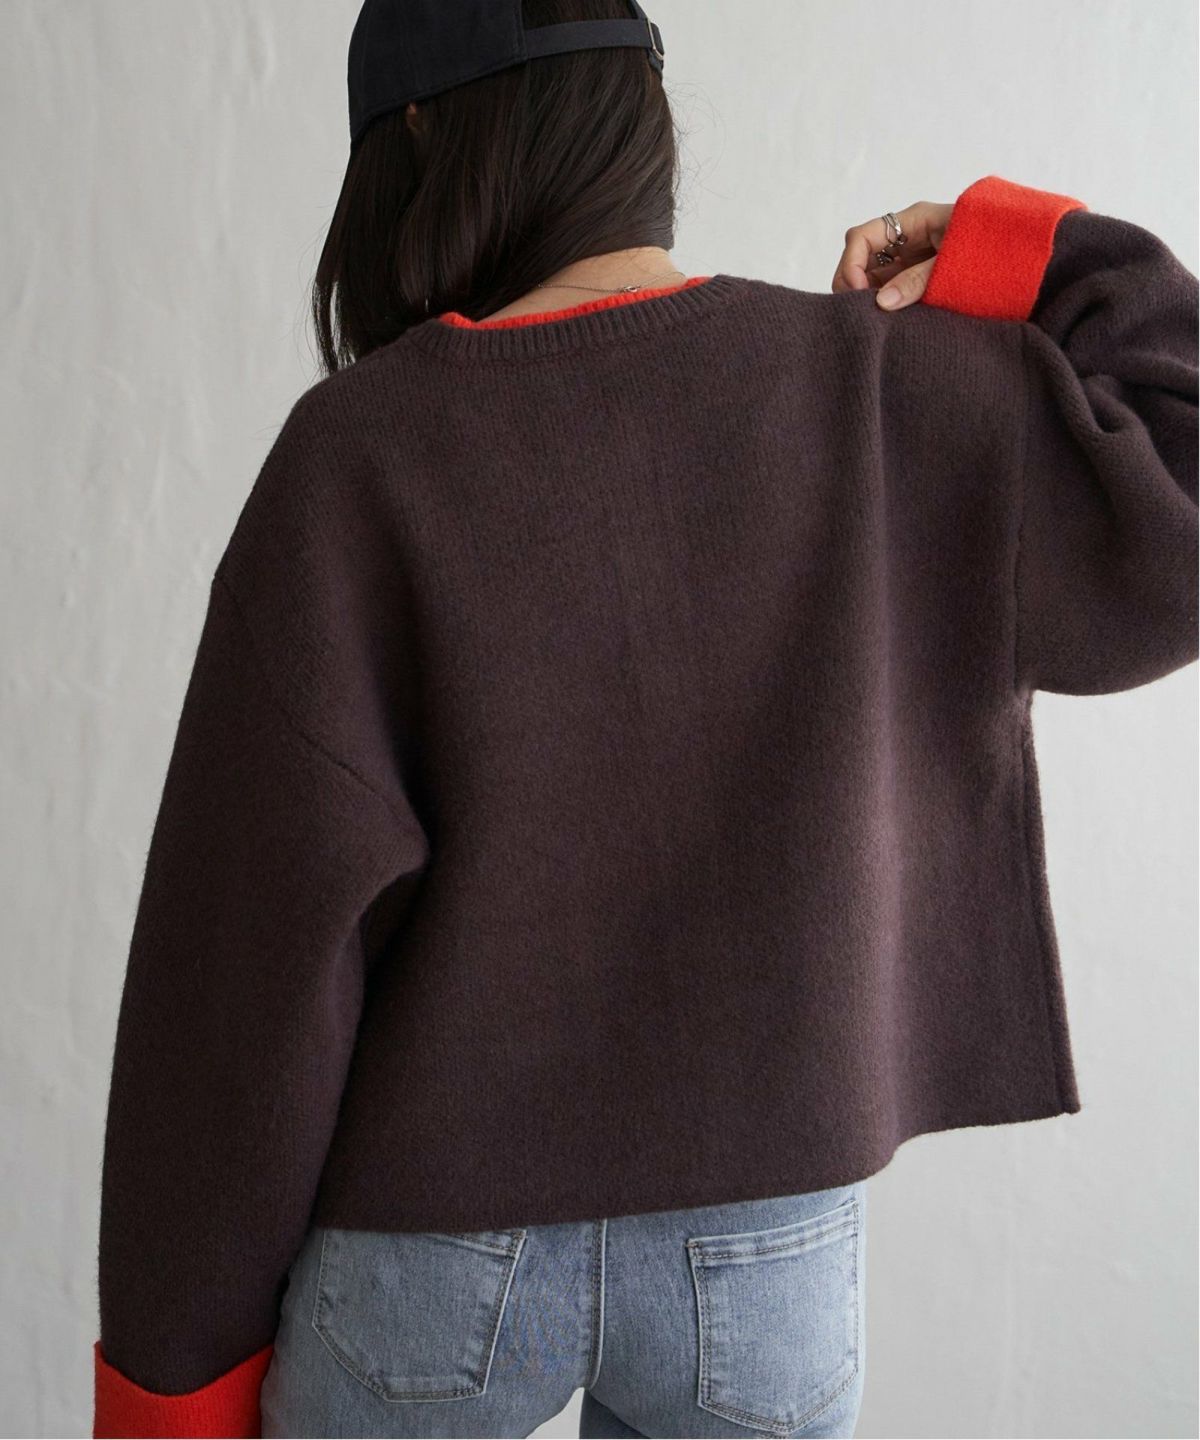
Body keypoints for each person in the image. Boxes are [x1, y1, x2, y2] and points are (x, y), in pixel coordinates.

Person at [91, 2, 1198, 1437]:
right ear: (638, 127)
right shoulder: (879, 390)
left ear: (417, 142)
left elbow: (242, 962)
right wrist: (1021, 248)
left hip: (438, 1251)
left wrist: (171, 1376)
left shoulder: (361, 455)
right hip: (768, 1253)